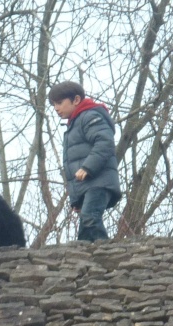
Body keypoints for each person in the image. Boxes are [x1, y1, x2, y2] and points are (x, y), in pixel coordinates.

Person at [49, 81, 121, 242]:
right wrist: (78, 197)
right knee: (85, 227)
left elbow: (105, 142)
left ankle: (106, 254)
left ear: (75, 100)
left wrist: (88, 167)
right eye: (54, 104)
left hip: (99, 181)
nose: (56, 108)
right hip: (89, 185)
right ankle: (86, 260)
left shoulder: (89, 116)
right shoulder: (73, 125)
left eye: (60, 103)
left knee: (90, 218)